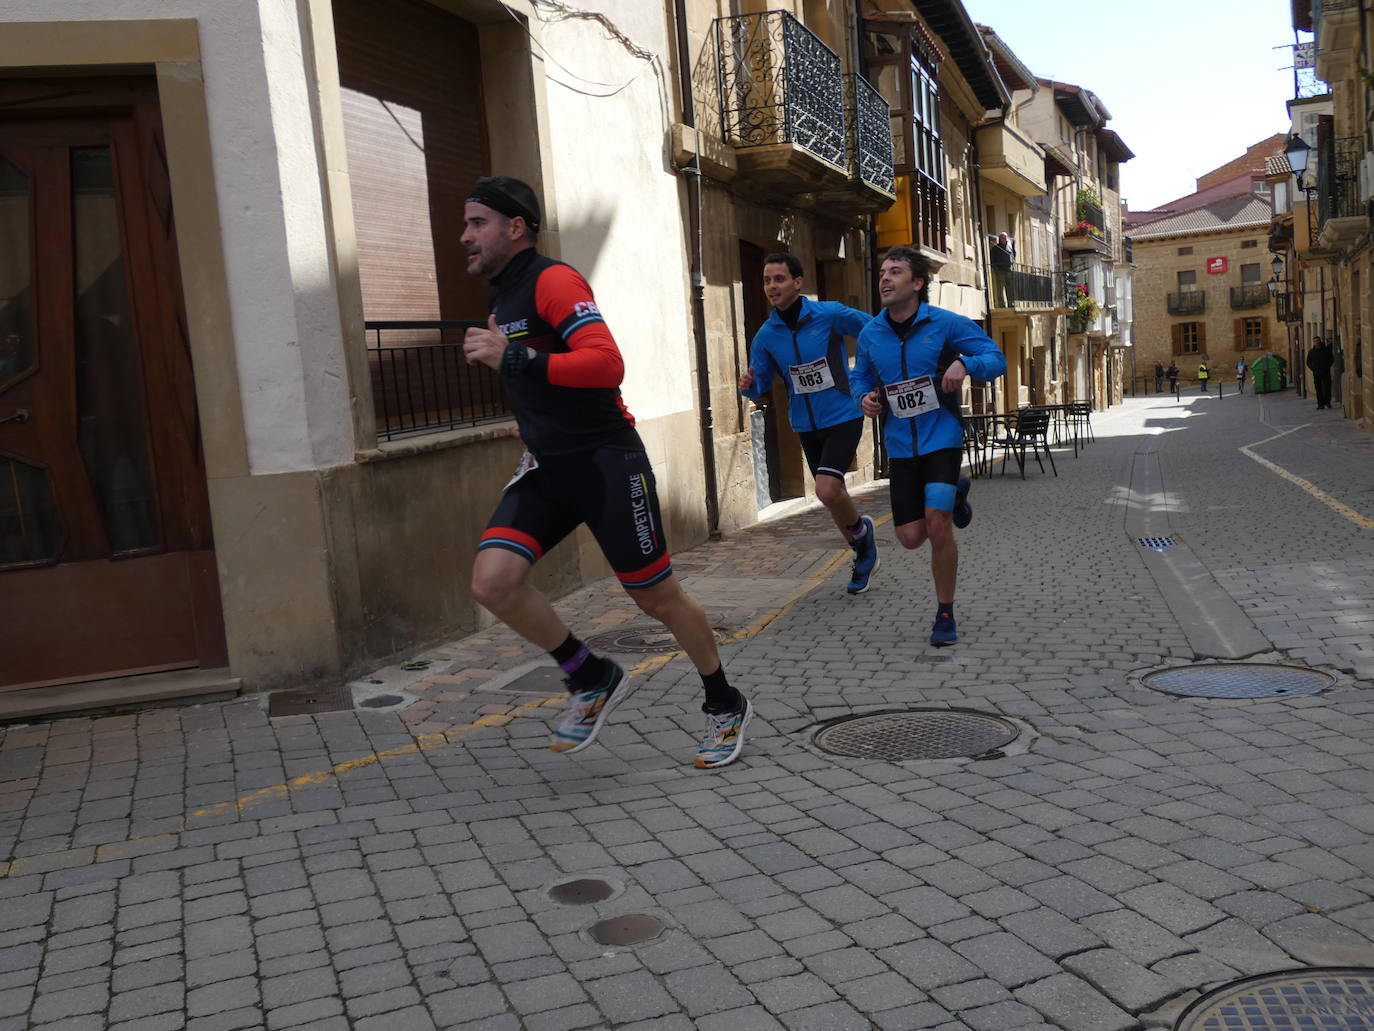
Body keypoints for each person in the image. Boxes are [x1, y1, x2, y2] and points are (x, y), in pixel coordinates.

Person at [460, 175, 751, 769]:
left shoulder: (554, 280)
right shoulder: (502, 300)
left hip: (606, 465)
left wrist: (513, 357)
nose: (464, 236)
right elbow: (544, 378)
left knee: (658, 600)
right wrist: (532, 417)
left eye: (476, 224)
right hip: (549, 469)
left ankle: (724, 702)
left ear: (515, 228)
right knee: (492, 583)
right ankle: (590, 676)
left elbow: (605, 364)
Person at [851, 245, 1006, 647]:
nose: (884, 278)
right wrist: (864, 398)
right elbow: (860, 378)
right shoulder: (871, 334)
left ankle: (944, 613)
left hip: (942, 436)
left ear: (917, 283)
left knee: (937, 525)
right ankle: (957, 494)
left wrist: (965, 364)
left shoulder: (945, 324)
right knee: (909, 537)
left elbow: (995, 357)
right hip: (901, 446)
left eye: (895, 271)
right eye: (882, 271)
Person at [737, 253, 879, 594]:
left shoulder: (827, 314)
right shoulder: (766, 335)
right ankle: (862, 549)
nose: (772, 286)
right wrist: (748, 386)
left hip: (844, 413)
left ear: (797, 283)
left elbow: (873, 330)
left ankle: (862, 538)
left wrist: (870, 375)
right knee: (832, 495)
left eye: (780, 279)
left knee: (826, 489)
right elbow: (760, 384)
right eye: (768, 280)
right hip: (804, 423)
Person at [988, 232, 1014, 309]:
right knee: (1000, 288)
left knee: (1010, 288)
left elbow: (1013, 255)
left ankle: (1011, 303)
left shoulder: (1009, 247)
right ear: (999, 239)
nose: (1003, 240)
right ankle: (1001, 304)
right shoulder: (995, 248)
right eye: (1002, 238)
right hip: (1000, 271)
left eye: (1004, 238)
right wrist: (996, 268)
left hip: (1009, 270)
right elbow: (992, 259)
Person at [1307, 336, 1334, 409]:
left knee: (1327, 388)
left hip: (1326, 372)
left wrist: (1327, 367)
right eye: (1315, 341)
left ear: (1320, 341)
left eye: (1317, 341)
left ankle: (1327, 402)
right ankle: (1320, 404)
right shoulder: (1311, 352)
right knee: (1318, 389)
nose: (1316, 342)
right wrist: (1313, 369)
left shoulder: (1326, 350)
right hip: (1317, 373)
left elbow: (1331, 359)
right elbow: (1308, 362)